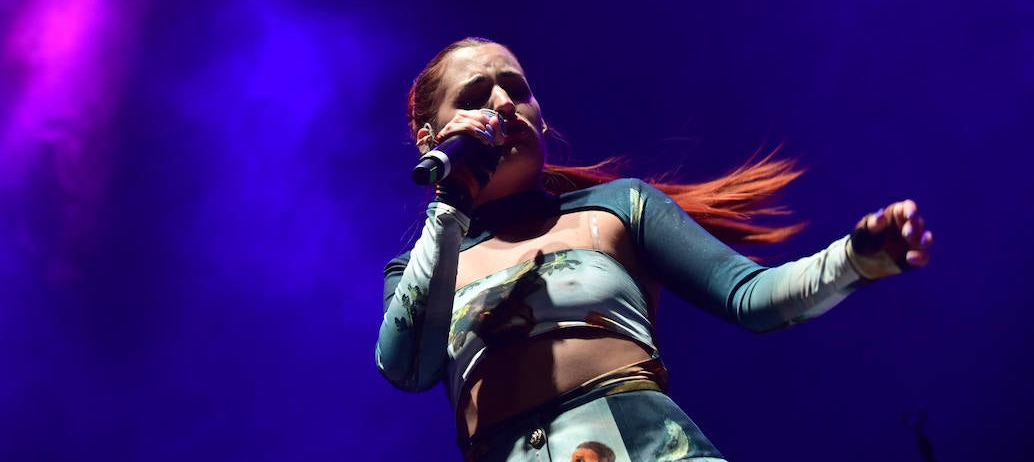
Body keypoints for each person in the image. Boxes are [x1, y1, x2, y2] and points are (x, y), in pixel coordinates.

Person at [375, 38, 933, 462]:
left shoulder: (616, 208)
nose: (503, 104)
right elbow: (407, 368)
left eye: (517, 90)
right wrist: (450, 205)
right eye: (475, 97)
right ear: (430, 137)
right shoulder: (419, 269)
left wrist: (853, 259)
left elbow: (751, 297)